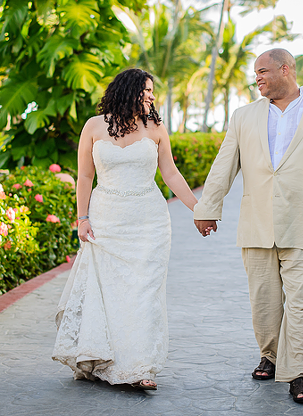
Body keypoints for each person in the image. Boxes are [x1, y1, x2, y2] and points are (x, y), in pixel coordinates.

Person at [193, 48, 303, 404]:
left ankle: (299, 374)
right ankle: (271, 355)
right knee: (265, 303)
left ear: (285, 70)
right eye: (255, 73)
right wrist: (207, 207)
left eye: (262, 71)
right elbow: (224, 163)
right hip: (257, 224)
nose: (256, 78)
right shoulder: (243, 117)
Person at [52, 68, 198, 390]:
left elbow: (171, 174)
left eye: (152, 91)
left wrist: (198, 208)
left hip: (149, 222)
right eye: (146, 90)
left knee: (144, 295)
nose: (152, 96)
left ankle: (142, 367)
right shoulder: (93, 126)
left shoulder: (156, 127)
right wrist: (82, 218)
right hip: (107, 222)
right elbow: (85, 178)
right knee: (111, 295)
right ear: (127, 90)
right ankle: (107, 360)